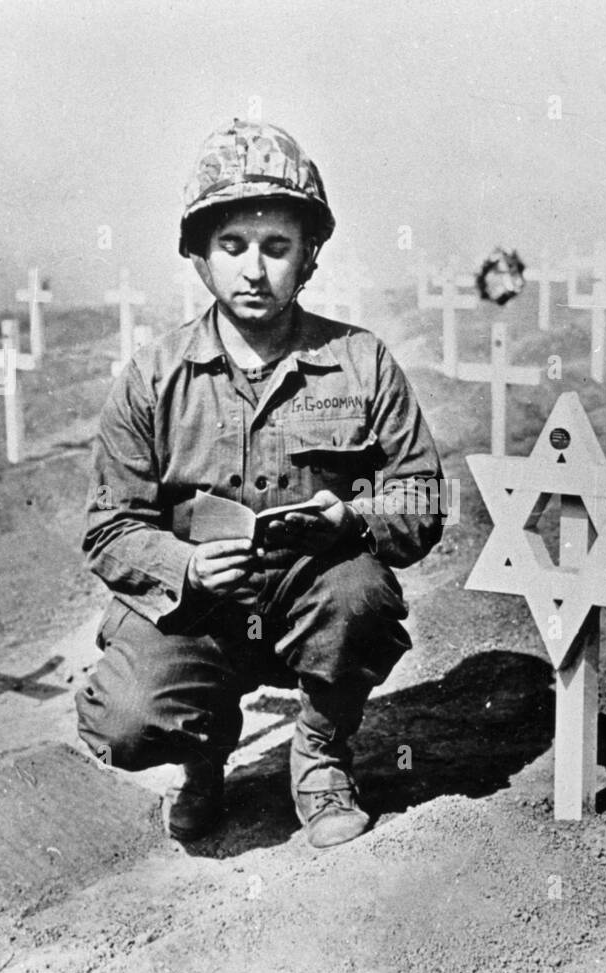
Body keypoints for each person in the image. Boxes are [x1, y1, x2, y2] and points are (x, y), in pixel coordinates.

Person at [76, 119, 445, 849]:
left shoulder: (360, 362)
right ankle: (203, 756)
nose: (254, 269)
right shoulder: (154, 378)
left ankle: (320, 753)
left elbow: (423, 495)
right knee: (125, 719)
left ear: (308, 257)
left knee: (360, 594)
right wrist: (182, 564)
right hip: (199, 612)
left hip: (313, 601)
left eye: (277, 247)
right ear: (200, 258)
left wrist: (352, 519)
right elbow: (108, 526)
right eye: (233, 246)